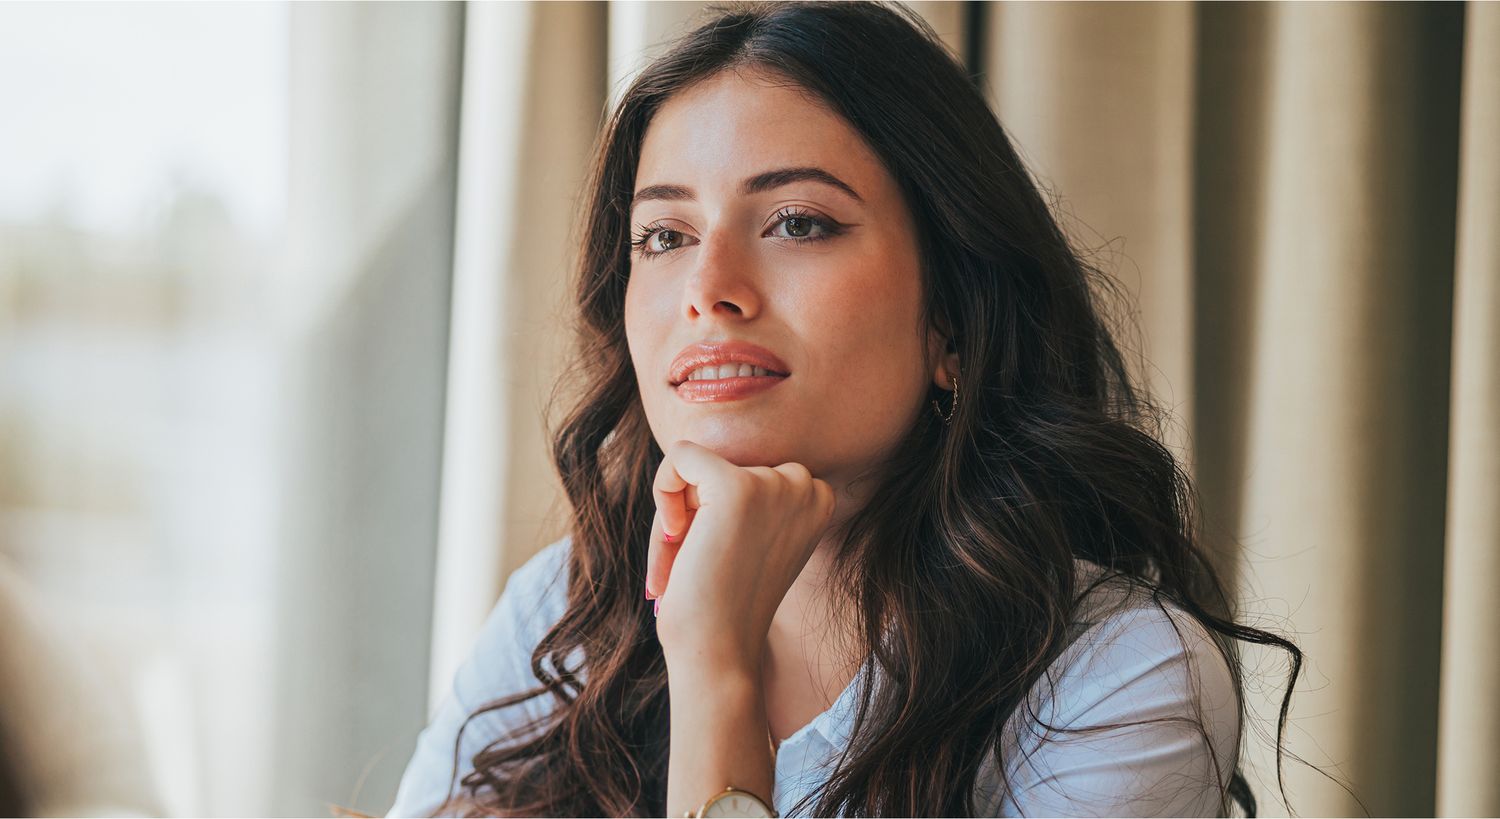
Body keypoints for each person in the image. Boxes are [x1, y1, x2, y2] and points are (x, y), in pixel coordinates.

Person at [388, 2, 1304, 816]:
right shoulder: (563, 610)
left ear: (952, 319)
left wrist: (715, 668)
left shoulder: (1113, 675)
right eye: (664, 236)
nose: (709, 290)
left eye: (798, 222)